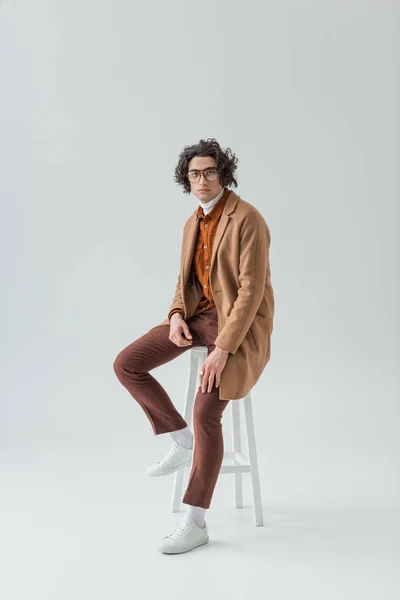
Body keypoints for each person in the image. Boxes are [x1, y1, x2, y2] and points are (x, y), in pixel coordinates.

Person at [113, 137, 274, 554]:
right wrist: (176, 316)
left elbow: (251, 292)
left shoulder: (247, 219)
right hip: (198, 318)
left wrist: (222, 349)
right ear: (187, 179)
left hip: (237, 327)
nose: (201, 180)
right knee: (127, 363)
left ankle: (195, 521)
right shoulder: (192, 222)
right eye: (194, 174)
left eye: (209, 172)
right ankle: (181, 442)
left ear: (224, 174)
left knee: (206, 414)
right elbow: (183, 283)